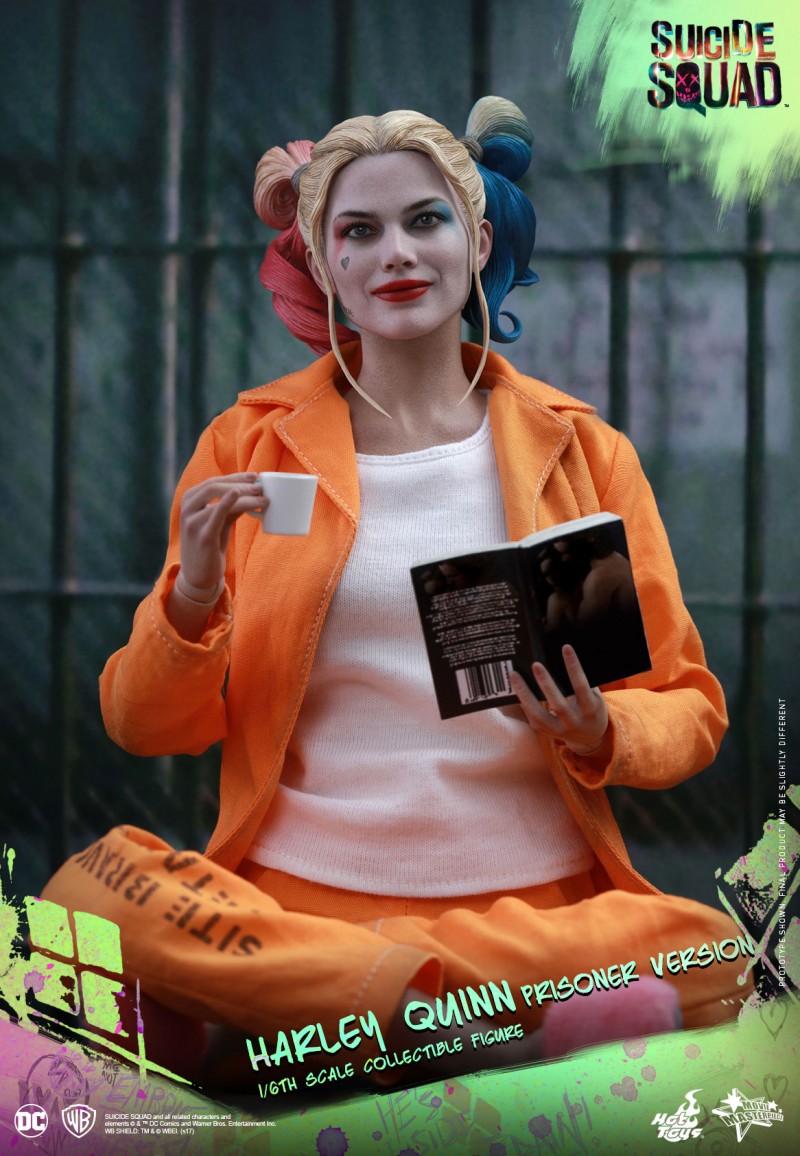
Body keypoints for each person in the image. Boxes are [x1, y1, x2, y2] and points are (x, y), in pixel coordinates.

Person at [42, 97, 747, 1086]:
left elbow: (690, 706)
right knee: (93, 889)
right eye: (358, 232)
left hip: (527, 917)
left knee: (720, 950)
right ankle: (468, 1031)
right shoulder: (247, 446)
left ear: (478, 240)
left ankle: (313, 1023)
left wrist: (602, 730)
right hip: (293, 910)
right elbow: (143, 723)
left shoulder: (584, 451)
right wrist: (190, 599)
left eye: (425, 219)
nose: (396, 253)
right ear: (324, 264)